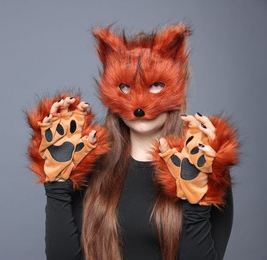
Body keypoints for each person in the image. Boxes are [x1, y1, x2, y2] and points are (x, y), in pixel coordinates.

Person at [26, 23, 239, 260]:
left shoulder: (206, 164)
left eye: (156, 85)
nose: (139, 104)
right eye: (125, 86)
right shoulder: (81, 160)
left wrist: (196, 200)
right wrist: (57, 184)